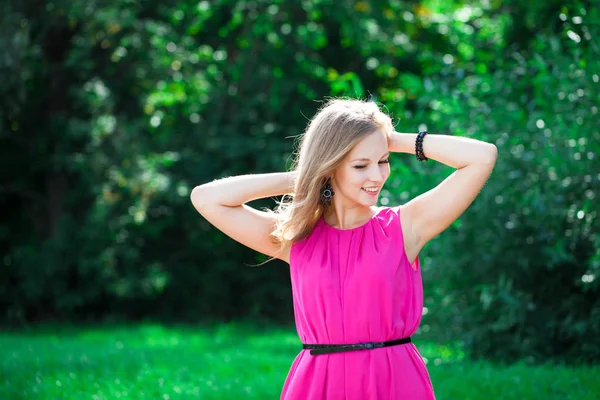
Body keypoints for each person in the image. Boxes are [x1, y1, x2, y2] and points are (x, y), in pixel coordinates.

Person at [190, 98, 498, 399]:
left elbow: (482, 157)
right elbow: (206, 198)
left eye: (383, 161)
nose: (377, 176)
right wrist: (306, 176)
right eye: (361, 165)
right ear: (331, 167)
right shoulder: (297, 238)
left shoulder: (405, 227)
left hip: (393, 381)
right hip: (317, 384)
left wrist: (392, 139)